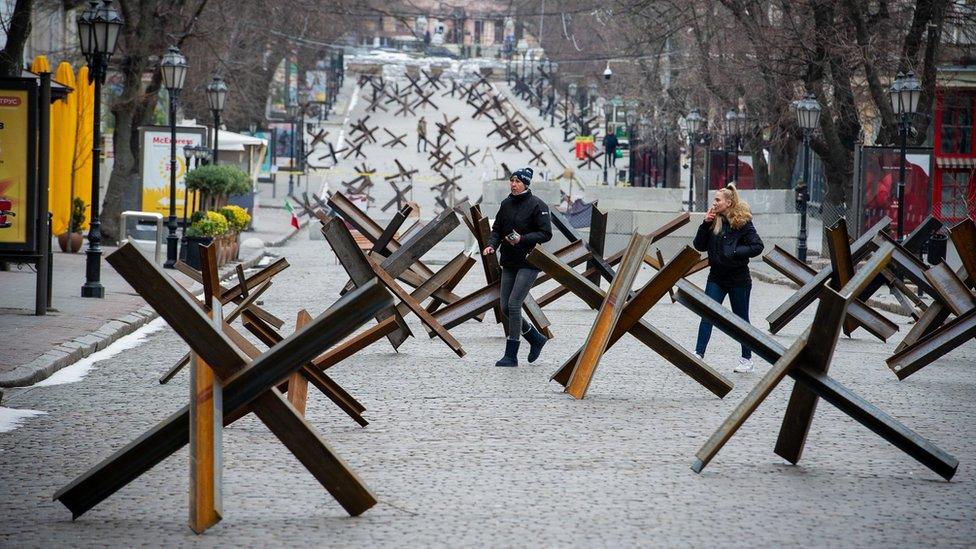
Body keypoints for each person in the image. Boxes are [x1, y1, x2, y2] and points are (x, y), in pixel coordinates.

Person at [482, 167, 552, 367]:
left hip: (529, 262)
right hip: (510, 261)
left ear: (526, 184)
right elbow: (496, 230)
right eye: (511, 180)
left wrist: (522, 238)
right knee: (505, 307)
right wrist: (491, 245)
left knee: (514, 304)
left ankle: (511, 355)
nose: (513, 184)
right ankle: (536, 339)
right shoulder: (506, 204)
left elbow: (546, 233)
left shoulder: (538, 205)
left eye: (517, 181)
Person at [693, 183, 764, 372]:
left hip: (738, 279)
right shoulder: (713, 221)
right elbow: (699, 246)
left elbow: (757, 246)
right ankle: (698, 354)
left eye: (717, 200)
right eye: (714, 200)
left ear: (728, 202)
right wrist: (705, 224)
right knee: (707, 313)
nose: (714, 203)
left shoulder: (742, 222)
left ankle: (746, 359)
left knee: (741, 320)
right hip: (716, 277)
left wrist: (735, 251)